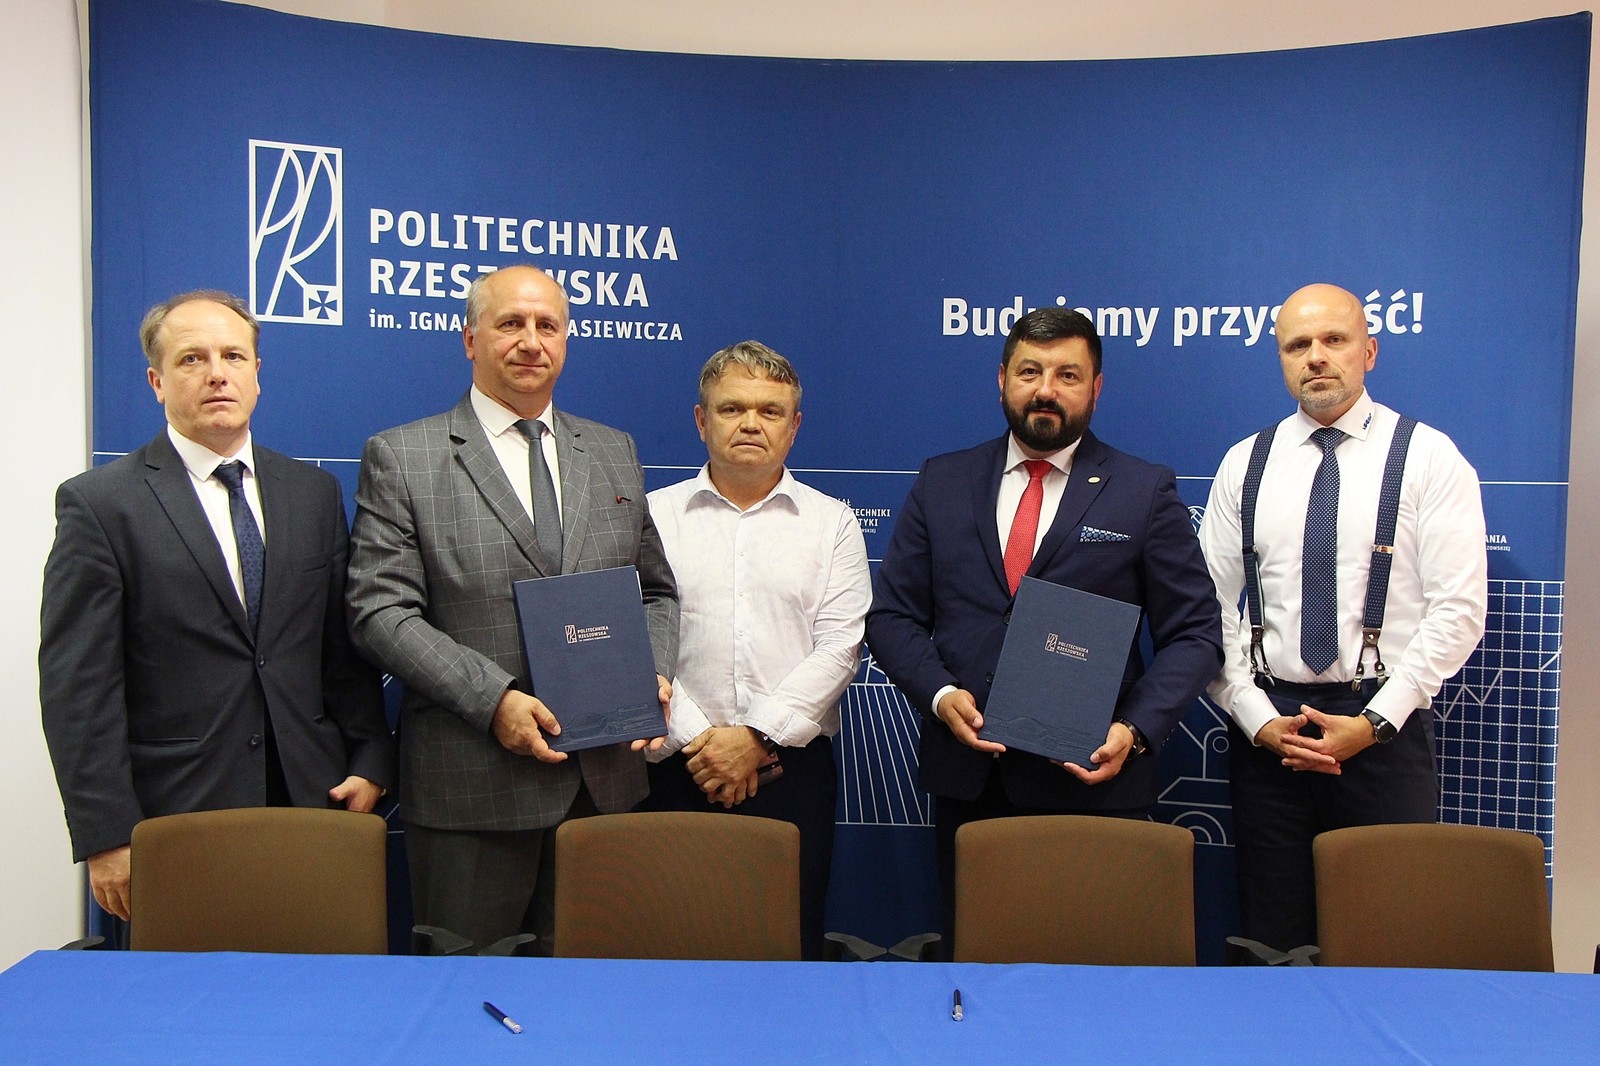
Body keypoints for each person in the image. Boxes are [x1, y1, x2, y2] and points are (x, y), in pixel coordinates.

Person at [346, 264, 678, 953]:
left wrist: (651, 670)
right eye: (510, 324)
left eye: (547, 325)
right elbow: (380, 610)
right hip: (474, 790)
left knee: (593, 1000)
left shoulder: (613, 451)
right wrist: (493, 699)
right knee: (465, 997)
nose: (531, 342)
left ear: (566, 341)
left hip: (604, 787)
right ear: (470, 339)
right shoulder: (403, 456)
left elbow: (655, 592)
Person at [866, 307, 1223, 945]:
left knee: (1095, 969)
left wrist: (1135, 730)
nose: (1045, 390)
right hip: (971, 781)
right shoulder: (942, 481)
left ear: (1096, 387)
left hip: (1094, 778)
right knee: (977, 965)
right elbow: (892, 617)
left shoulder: (1143, 490)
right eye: (1030, 372)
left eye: (1067, 375)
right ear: (1002, 378)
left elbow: (1195, 633)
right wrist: (941, 695)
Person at [38, 290, 392, 926]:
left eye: (233, 356)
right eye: (192, 359)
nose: (217, 374)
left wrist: (370, 757)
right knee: (185, 987)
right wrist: (105, 834)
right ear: (157, 382)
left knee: (316, 978)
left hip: (314, 801)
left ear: (257, 373)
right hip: (174, 814)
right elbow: (78, 688)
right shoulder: (101, 504)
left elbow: (340, 648)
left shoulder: (312, 492)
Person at [1199, 282, 1487, 953]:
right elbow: (1205, 609)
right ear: (1281, 359)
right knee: (1274, 944)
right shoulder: (1245, 464)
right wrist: (1255, 718)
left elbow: (1459, 609)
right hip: (1271, 740)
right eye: (1298, 345)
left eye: (1334, 339)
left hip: (1383, 733)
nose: (1316, 357)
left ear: (1370, 351)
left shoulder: (1429, 457)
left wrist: (1375, 723)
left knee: (1388, 942)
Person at [640, 341, 870, 960]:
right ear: (701, 420)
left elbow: (839, 648)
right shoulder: (650, 516)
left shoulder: (833, 523)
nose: (750, 424)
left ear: (794, 426)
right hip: (671, 766)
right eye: (731, 408)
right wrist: (702, 742)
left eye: (770, 411)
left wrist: (754, 738)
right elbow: (633, 637)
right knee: (666, 946)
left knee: (785, 946)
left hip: (791, 772)